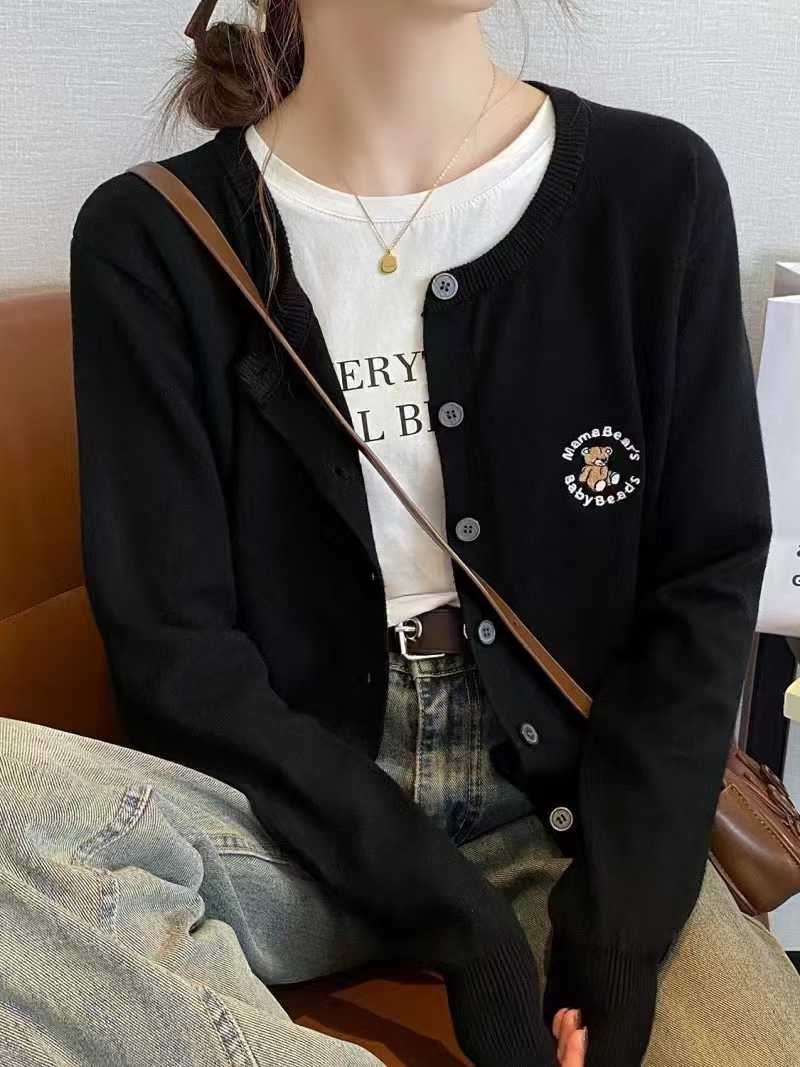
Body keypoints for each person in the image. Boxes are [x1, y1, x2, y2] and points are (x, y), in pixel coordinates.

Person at [2, 1, 799, 1065]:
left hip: (571, 812)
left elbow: (702, 579)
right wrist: (463, 927)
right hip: (281, 821)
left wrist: (617, 933)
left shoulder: (653, 190)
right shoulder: (151, 237)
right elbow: (175, 653)